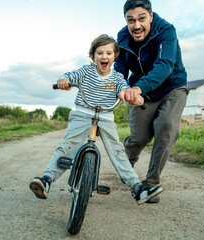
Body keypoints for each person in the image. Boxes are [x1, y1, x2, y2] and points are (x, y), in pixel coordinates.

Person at [30, 34, 163, 205]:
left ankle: (137, 188)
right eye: (99, 53)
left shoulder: (117, 78)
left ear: (115, 56)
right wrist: (64, 80)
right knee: (68, 145)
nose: (104, 57)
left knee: (118, 151)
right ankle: (47, 180)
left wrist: (133, 97)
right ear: (93, 56)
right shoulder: (86, 71)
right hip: (83, 113)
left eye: (108, 53)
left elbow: (125, 89)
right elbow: (71, 75)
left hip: (106, 116)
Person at [115, 0, 189, 203]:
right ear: (126, 21)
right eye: (131, 20)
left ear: (151, 16)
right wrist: (119, 88)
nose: (136, 25)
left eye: (141, 19)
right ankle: (125, 168)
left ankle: (150, 183)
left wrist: (138, 87)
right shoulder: (122, 37)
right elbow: (120, 69)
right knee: (139, 137)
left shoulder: (166, 30)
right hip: (142, 92)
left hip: (172, 87)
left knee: (166, 125)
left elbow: (165, 65)